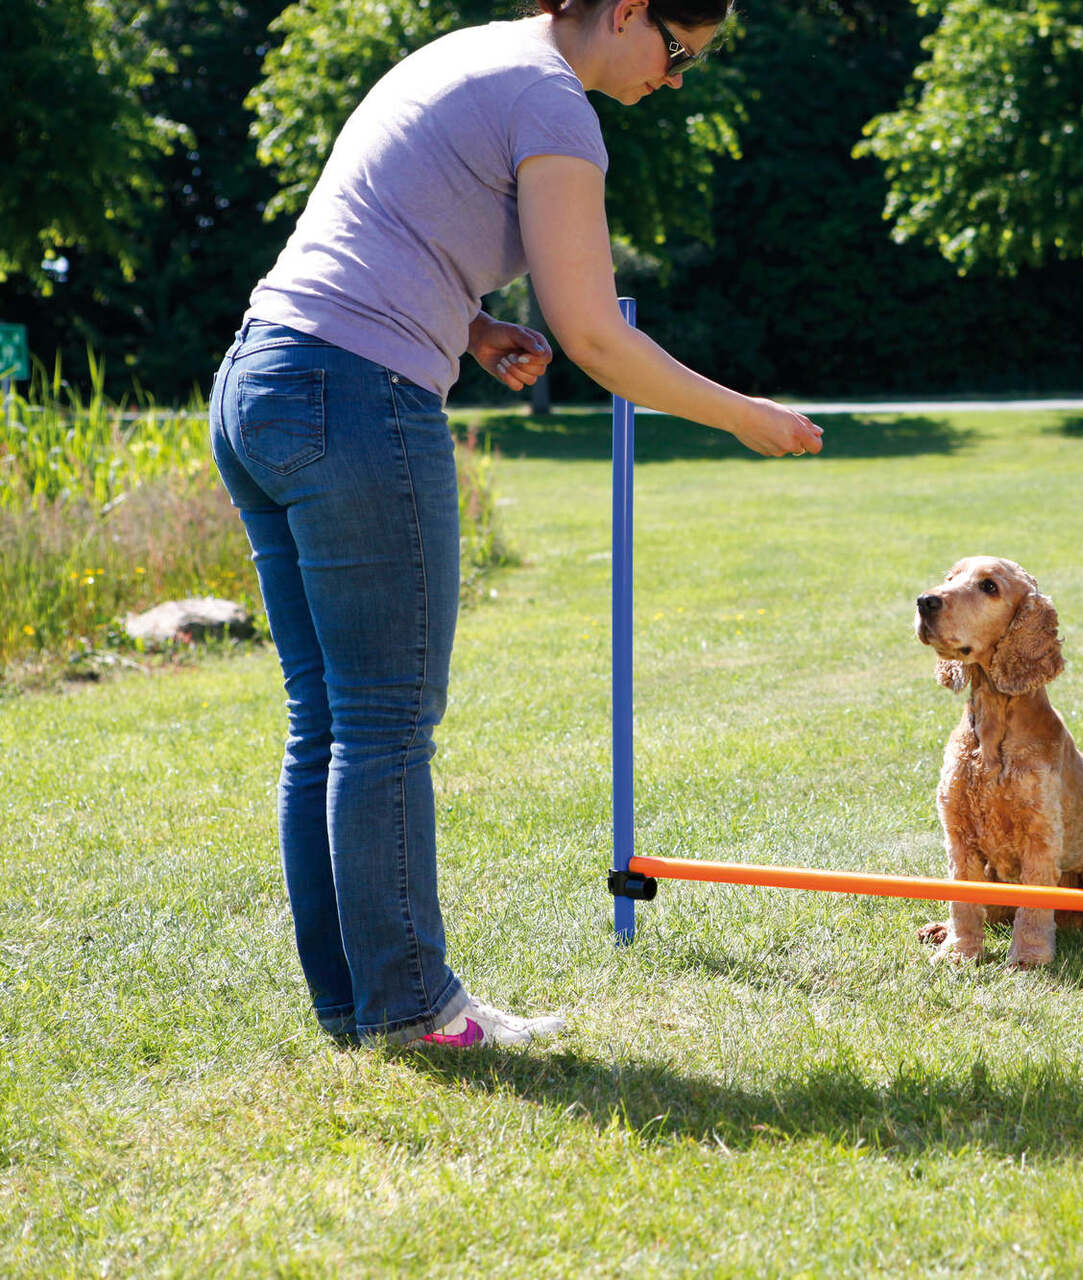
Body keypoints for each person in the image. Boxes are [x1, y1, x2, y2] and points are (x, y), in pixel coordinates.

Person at [208, 0, 820, 1050]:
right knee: (386, 720)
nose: (674, 81)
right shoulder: (553, 101)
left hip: (262, 380)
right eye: (676, 54)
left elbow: (385, 226)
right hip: (354, 400)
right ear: (626, 10)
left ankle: (360, 1008)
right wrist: (743, 414)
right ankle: (411, 1011)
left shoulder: (472, 53)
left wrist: (474, 322)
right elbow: (594, 333)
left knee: (333, 721)